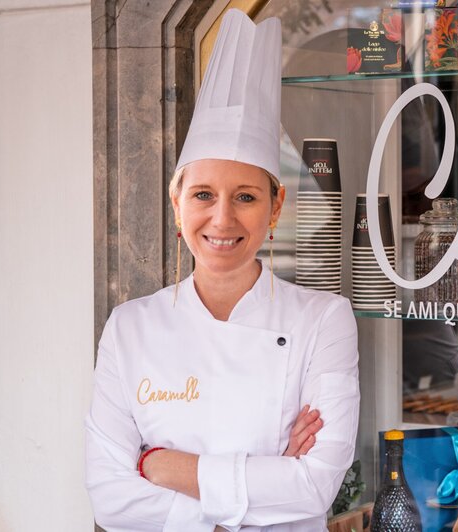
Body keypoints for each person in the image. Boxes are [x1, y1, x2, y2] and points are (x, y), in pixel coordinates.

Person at [84, 10, 360, 531]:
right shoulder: (129, 327)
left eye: (247, 197)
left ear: (276, 208)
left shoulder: (323, 320)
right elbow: (109, 496)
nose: (223, 218)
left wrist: (158, 464)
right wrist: (265, 478)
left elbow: (315, 484)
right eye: (204, 195)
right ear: (176, 204)